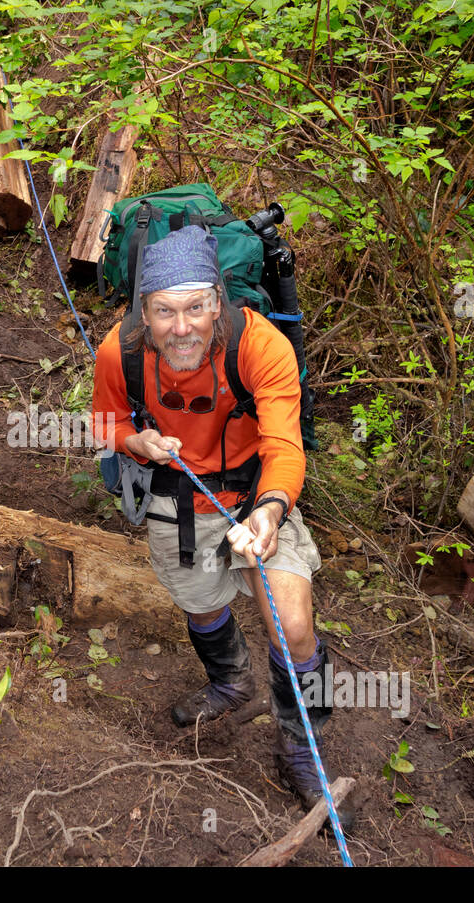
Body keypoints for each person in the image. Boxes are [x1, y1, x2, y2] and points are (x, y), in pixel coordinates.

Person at [91, 224, 335, 813]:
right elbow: (103, 426)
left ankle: (305, 745)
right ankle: (232, 683)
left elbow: (284, 444)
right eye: (165, 311)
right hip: (178, 501)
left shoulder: (261, 346)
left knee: (292, 624)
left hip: (255, 496)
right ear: (142, 311)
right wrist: (136, 442)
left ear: (218, 301)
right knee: (201, 602)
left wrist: (272, 511)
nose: (182, 327)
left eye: (196, 307)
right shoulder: (116, 353)